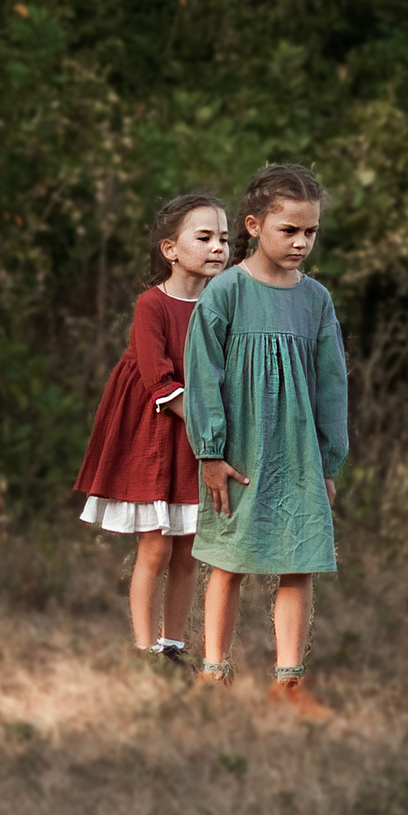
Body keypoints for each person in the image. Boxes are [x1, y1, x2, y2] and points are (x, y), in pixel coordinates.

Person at [185, 163, 348, 718]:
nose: (302, 242)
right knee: (228, 562)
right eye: (290, 230)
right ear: (253, 225)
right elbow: (203, 374)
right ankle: (213, 672)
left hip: (299, 453)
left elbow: (332, 383)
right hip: (240, 453)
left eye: (311, 231)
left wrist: (328, 460)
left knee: (298, 560)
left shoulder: (316, 300)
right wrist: (210, 452)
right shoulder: (226, 292)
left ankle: (288, 682)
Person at [74, 192, 231, 664]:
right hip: (155, 432)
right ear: (170, 249)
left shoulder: (224, 305)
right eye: (203, 237)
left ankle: (172, 646)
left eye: (224, 238)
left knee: (189, 551)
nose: (217, 247)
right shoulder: (152, 305)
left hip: (197, 438)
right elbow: (158, 380)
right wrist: (209, 426)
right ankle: (144, 651)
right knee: (156, 548)